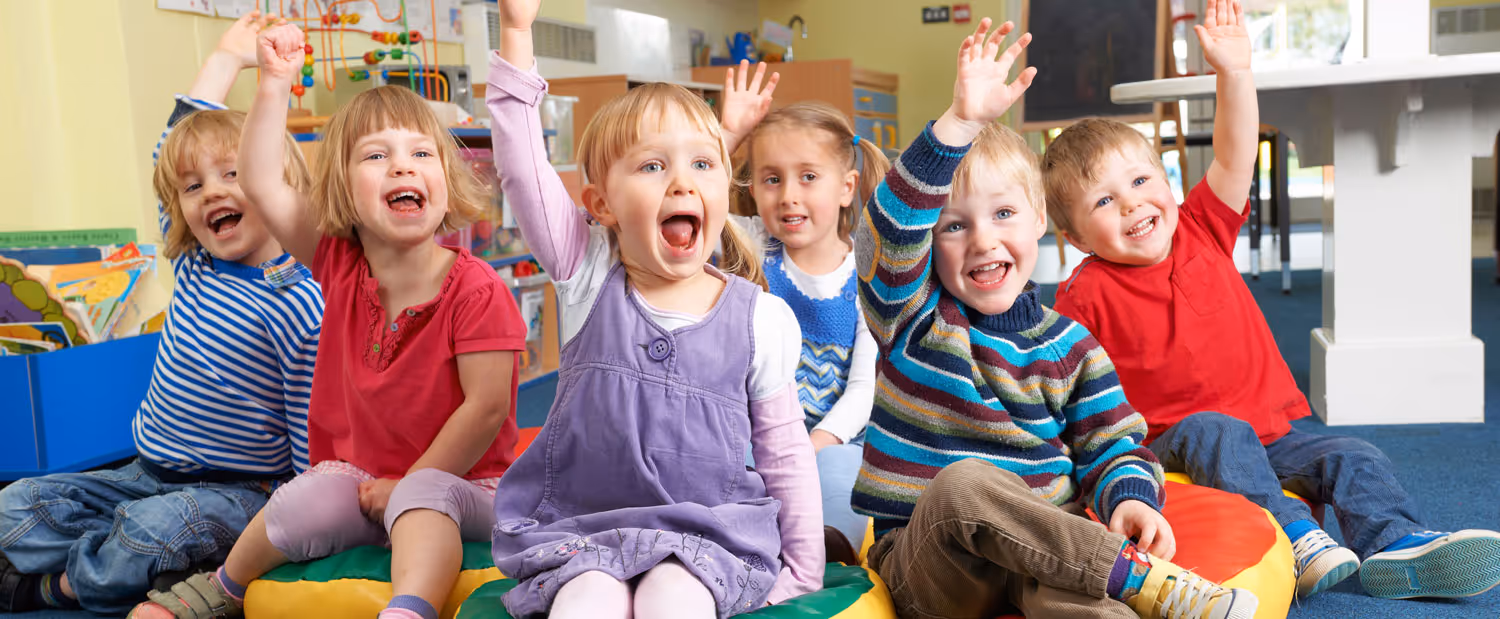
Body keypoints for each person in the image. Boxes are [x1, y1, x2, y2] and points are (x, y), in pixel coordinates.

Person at [1047, 0, 1500, 601]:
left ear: (1167, 183)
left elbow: (1234, 154)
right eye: (1104, 202)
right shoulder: (1084, 292)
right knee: (1217, 432)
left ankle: (1396, 542)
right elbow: (1066, 383)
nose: (1131, 203)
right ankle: (1296, 537)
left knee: (1353, 454)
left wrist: (1235, 72)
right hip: (1176, 442)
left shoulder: (1202, 227)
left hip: (1271, 432)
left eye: (1139, 181)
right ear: (1076, 237)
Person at [854, 17, 1258, 618]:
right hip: (937, 562)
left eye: (1003, 214)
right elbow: (886, 235)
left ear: (1040, 219)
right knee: (963, 484)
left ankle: (1125, 588)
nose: (983, 241)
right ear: (928, 243)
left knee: (1087, 602)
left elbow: (1111, 444)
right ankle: (1131, 576)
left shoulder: (1073, 346)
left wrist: (1130, 499)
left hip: (1046, 552)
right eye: (954, 227)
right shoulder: (912, 320)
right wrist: (958, 124)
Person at [129, 21, 527, 619]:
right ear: (343, 188)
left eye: (421, 153)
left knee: (423, 499)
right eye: (377, 156)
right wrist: (274, 82)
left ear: (446, 181)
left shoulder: (477, 288)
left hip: (469, 485)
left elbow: (487, 408)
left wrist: (409, 483)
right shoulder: (339, 264)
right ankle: (223, 587)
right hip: (365, 480)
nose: (403, 167)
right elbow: (261, 179)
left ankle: (409, 608)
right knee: (302, 499)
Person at [481, 0, 823, 615]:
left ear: (724, 188)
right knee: (586, 600)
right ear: (601, 205)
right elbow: (522, 168)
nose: (683, 183)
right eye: (652, 166)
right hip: (584, 533)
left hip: (707, 540)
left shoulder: (759, 319)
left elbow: (785, 452)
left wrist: (802, 572)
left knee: (675, 597)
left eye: (702, 165)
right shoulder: (588, 275)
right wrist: (516, 32)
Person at [0, 12, 322, 615]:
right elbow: (168, 151)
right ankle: (137, 561)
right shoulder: (196, 262)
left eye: (233, 175)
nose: (212, 192)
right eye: (194, 188)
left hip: (237, 490)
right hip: (142, 473)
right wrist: (225, 58)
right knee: (12, 505)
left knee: (150, 533)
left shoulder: (298, 299)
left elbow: (311, 422)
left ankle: (54, 587)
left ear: (275, 184)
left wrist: (301, 521)